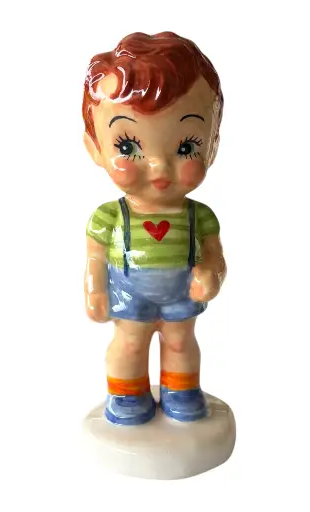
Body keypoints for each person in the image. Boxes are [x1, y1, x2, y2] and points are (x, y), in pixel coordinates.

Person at [82, 31, 227, 425]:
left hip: (181, 291)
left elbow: (215, 255)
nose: (159, 166)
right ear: (95, 147)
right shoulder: (109, 216)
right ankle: (127, 396)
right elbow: (95, 259)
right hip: (130, 293)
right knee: (129, 343)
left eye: (186, 147)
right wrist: (96, 291)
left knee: (181, 342)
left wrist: (210, 273)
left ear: (212, 145)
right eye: (128, 147)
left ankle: (182, 390)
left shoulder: (201, 216)